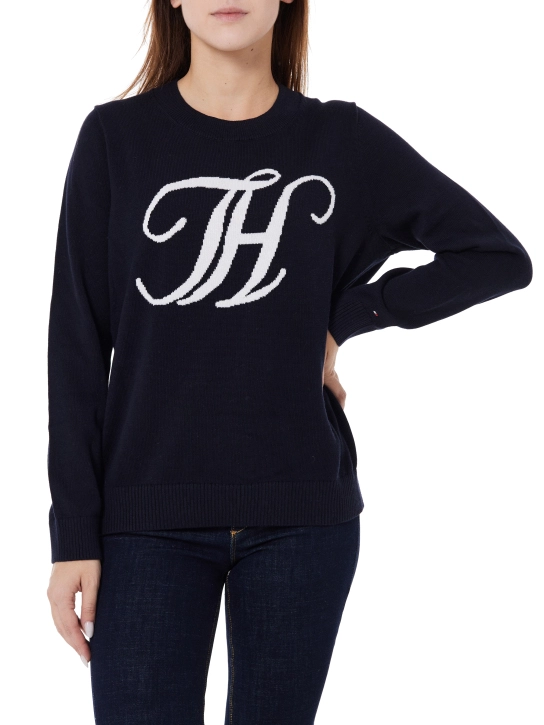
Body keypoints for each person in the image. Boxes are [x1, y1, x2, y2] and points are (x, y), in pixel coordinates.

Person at [45, 1, 533, 723]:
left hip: (303, 521)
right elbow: (75, 352)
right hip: (143, 524)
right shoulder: (116, 140)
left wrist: (347, 318)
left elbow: (496, 256)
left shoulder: (339, 140)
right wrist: (73, 536)